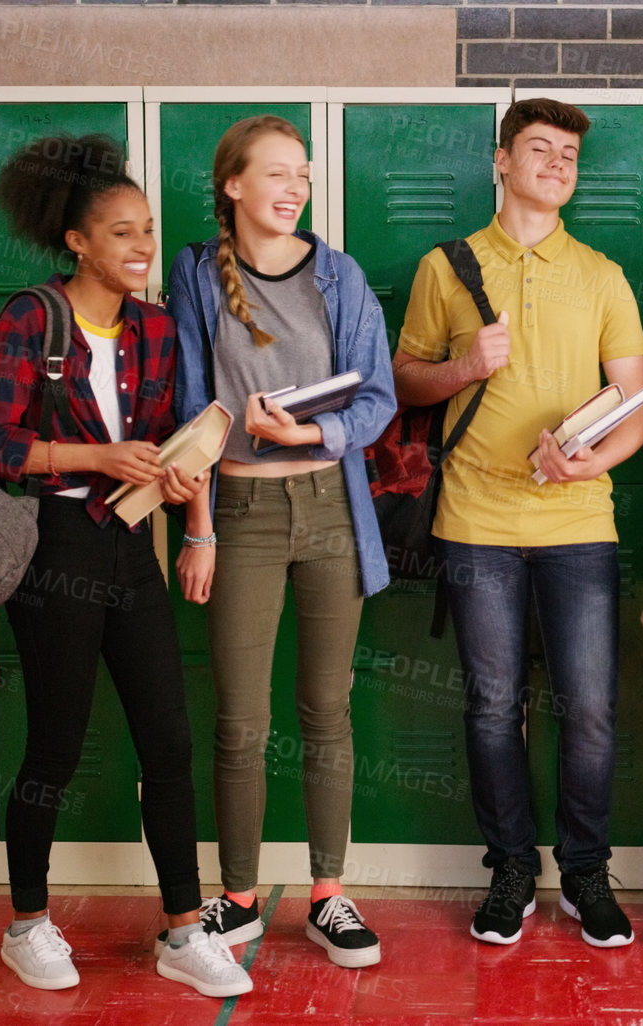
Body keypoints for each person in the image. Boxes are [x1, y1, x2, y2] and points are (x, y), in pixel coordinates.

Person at [0, 133, 249, 997]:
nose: (140, 247)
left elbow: (157, 438)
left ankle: (182, 931)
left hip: (129, 545)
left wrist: (176, 467)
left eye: (148, 232)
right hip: (52, 551)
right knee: (53, 744)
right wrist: (96, 458)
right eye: (120, 233)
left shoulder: (154, 328)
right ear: (77, 242)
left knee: (167, 741)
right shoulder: (30, 316)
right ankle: (27, 923)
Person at [391, 97, 643, 948]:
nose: (556, 165)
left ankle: (582, 871)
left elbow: (638, 404)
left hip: (579, 519)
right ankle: (510, 867)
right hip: (475, 520)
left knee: (588, 709)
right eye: (538, 149)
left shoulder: (603, 274)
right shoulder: (447, 266)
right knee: (491, 705)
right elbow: (403, 381)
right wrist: (465, 364)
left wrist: (594, 459)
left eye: (568, 155)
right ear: (499, 162)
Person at [165, 115, 398, 970]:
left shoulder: (338, 275)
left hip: (332, 508)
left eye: (302, 173)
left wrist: (313, 435)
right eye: (276, 174)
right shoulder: (194, 274)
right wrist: (198, 529)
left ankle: (328, 896)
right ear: (232, 186)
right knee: (239, 721)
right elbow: (189, 411)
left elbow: (376, 401)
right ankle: (236, 898)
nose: (294, 188)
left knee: (327, 711)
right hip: (239, 516)